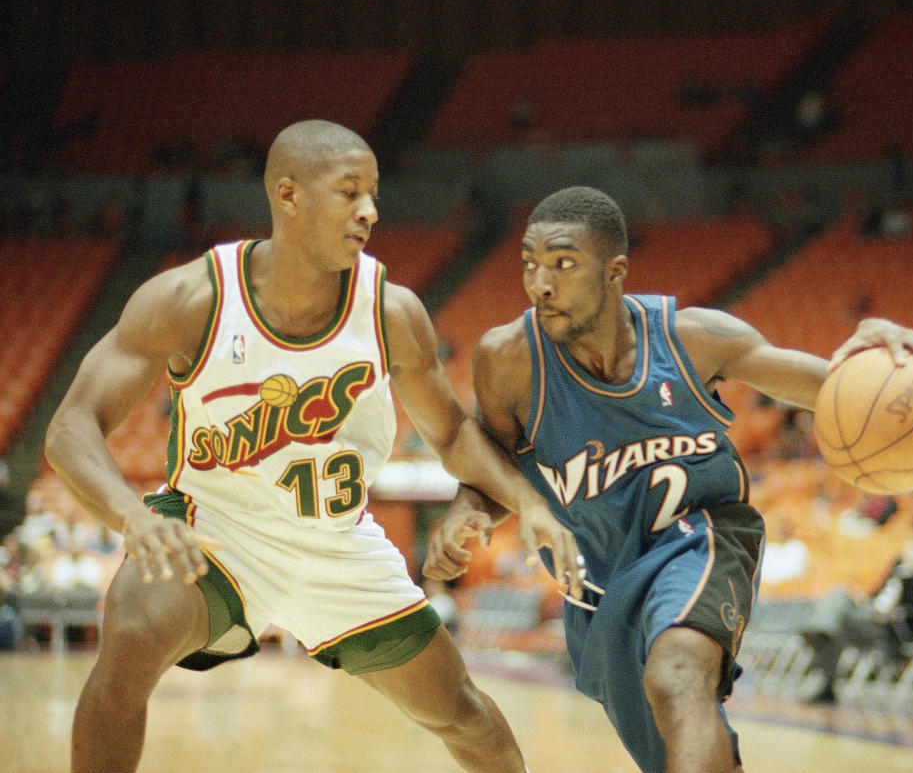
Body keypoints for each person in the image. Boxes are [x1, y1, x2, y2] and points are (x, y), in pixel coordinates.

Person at [43, 120, 583, 773]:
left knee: (464, 712)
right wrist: (130, 516)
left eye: (374, 194)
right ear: (289, 195)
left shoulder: (390, 311)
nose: (370, 211)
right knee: (130, 636)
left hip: (339, 545)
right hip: (218, 534)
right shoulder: (193, 300)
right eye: (350, 191)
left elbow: (452, 434)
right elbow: (71, 426)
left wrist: (527, 503)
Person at [421, 186, 913, 773]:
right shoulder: (509, 359)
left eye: (563, 263)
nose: (540, 283)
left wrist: (877, 358)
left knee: (677, 676)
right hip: (600, 584)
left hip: (700, 538)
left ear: (614, 272)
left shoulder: (693, 339)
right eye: (530, 263)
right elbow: (495, 470)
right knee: (672, 741)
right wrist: (465, 508)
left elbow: (835, 390)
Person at [799, 518, 913, 704]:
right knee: (841, 594)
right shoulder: (899, 562)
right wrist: (864, 598)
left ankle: (822, 631)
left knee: (836, 624)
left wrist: (912, 571)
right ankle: (823, 635)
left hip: (893, 626)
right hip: (873, 615)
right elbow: (881, 590)